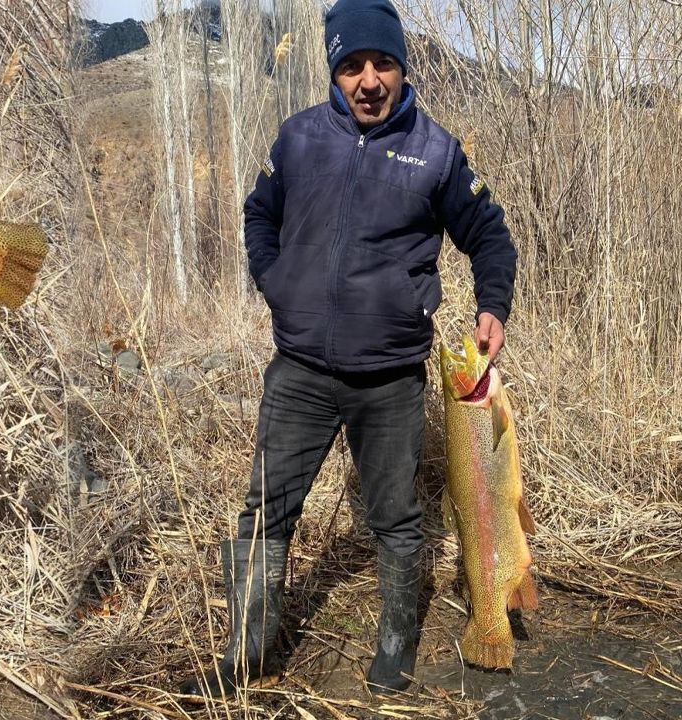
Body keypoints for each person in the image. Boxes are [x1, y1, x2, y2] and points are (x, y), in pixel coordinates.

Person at [182, 0, 518, 698]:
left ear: (401, 67)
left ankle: (394, 648)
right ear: (334, 72)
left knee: (394, 518)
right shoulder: (298, 139)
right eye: (351, 66)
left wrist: (492, 306)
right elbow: (258, 213)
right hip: (299, 370)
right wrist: (273, 280)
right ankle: (248, 653)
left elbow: (489, 233)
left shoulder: (436, 152)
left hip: (391, 379)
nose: (368, 80)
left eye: (382, 63)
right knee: (265, 510)